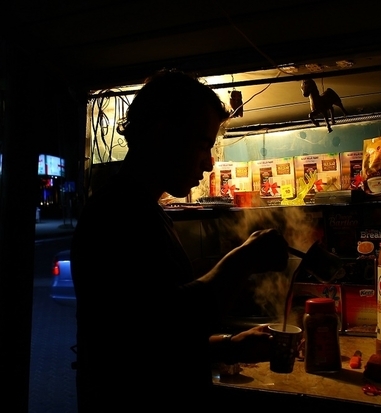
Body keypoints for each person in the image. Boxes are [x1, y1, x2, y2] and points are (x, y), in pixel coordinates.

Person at [70, 69, 290, 412]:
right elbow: (166, 326)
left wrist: (231, 346)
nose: (209, 163)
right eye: (203, 144)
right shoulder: (116, 214)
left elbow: (156, 342)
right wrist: (243, 259)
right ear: (162, 134)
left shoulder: (145, 210)